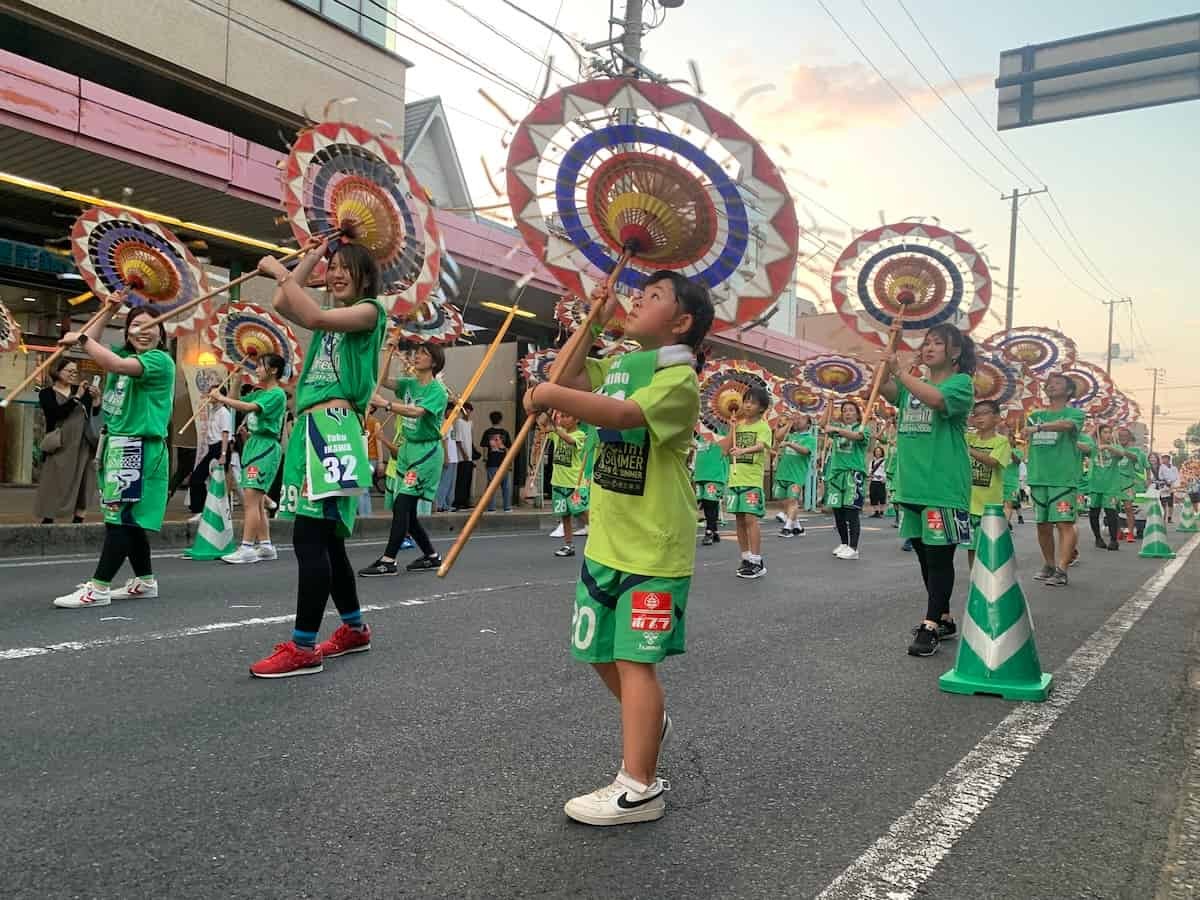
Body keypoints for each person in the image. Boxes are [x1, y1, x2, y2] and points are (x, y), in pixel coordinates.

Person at [521, 269, 713, 826]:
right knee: (596, 650)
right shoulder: (626, 364)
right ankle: (648, 725)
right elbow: (569, 374)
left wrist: (553, 395)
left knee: (633, 659)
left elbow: (626, 415)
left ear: (680, 322)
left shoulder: (679, 380)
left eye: (653, 297)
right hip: (607, 539)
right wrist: (591, 323)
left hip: (653, 545)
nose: (637, 299)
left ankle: (640, 787)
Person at [249, 237, 387, 677]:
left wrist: (281, 269)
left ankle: (304, 646)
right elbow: (281, 301)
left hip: (331, 430)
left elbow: (308, 310)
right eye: (333, 267)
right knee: (327, 541)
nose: (336, 273)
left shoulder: (370, 312)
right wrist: (312, 254)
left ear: (366, 277)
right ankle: (353, 628)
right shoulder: (331, 323)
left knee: (309, 538)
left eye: (347, 267)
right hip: (312, 429)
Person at [53, 295, 175, 608]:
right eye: (137, 325)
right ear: (127, 331)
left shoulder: (158, 361)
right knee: (125, 519)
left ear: (162, 333)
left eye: (152, 325)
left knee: (120, 520)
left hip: (139, 448)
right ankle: (145, 581)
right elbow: (94, 344)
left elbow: (112, 362)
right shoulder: (124, 352)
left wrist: (80, 337)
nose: (145, 330)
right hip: (119, 447)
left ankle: (99, 587)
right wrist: (108, 309)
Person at [880, 323, 976, 658]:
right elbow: (883, 389)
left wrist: (901, 372)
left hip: (943, 487)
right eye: (926, 342)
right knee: (923, 555)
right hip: (912, 485)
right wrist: (886, 356)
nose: (929, 347)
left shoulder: (961, 384)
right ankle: (945, 616)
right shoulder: (911, 388)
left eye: (939, 343)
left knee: (939, 558)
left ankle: (931, 624)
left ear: (956, 352)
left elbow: (936, 400)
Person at [359, 342, 449, 576]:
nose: (417, 356)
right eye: (417, 353)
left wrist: (386, 404)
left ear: (435, 362)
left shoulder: (437, 391)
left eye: (424, 354)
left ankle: (388, 560)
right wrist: (388, 354)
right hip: (408, 451)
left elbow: (415, 412)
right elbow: (386, 381)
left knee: (402, 505)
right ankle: (431, 555)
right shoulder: (409, 384)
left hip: (426, 452)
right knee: (407, 513)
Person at [208, 353, 288, 564]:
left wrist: (222, 398)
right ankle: (266, 545)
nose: (258, 369)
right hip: (254, 446)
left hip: (265, 446)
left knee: (250, 500)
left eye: (261, 366)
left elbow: (248, 408)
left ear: (273, 370)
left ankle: (247, 547)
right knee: (258, 501)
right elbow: (237, 402)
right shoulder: (260, 393)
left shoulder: (276, 394)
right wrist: (237, 376)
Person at [1023, 373, 1085, 587]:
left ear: (1068, 391)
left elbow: (1067, 425)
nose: (1051, 386)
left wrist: (1040, 428)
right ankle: (1048, 564)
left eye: (1057, 383)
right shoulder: (1034, 415)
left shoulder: (1075, 413)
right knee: (1042, 524)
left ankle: (1062, 569)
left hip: (1063, 479)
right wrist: (1034, 427)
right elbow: (1026, 434)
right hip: (1039, 477)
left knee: (1064, 523)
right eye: (1048, 384)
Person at [34, 357, 100, 523]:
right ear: (57, 371)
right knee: (54, 481)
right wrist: (76, 398)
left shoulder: (81, 390)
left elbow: (93, 415)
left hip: (83, 444)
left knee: (83, 481)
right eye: (69, 371)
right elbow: (56, 414)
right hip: (60, 443)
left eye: (75, 372)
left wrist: (97, 400)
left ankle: (78, 521)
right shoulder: (46, 393)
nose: (73, 374)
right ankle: (48, 520)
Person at [722, 384, 773, 578]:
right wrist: (732, 428)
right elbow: (726, 449)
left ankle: (756, 559)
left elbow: (762, 445)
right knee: (739, 519)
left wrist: (743, 450)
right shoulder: (739, 425)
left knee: (751, 519)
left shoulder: (763, 426)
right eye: (746, 401)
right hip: (735, 480)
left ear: (761, 407)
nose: (748, 405)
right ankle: (745, 557)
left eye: (752, 402)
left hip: (752, 480)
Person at [965, 400, 1012, 569]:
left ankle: (990, 583)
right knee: (971, 548)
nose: (979, 418)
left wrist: (969, 449)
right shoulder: (968, 437)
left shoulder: (1001, 442)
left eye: (984, 413)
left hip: (989, 507)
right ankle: (975, 580)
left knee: (988, 548)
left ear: (997, 418)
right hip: (968, 504)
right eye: (976, 414)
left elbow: (992, 461)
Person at [823, 400, 870, 560]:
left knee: (851, 512)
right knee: (838, 511)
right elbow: (823, 424)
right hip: (837, 474)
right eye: (845, 410)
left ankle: (853, 547)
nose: (848, 413)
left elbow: (857, 436)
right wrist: (829, 405)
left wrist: (837, 429)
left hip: (853, 474)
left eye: (851, 410)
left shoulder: (862, 428)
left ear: (857, 413)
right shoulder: (837, 428)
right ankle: (844, 543)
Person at [544, 411, 588, 558]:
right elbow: (542, 423)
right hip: (558, 482)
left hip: (574, 483)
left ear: (576, 419)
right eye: (561, 416)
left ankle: (599, 541)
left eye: (566, 416)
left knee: (582, 513)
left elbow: (569, 440)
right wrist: (544, 409)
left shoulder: (580, 435)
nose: (562, 419)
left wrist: (556, 429)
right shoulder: (557, 432)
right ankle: (568, 545)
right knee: (565, 516)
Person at [773, 413, 814, 537]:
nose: (798, 420)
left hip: (796, 475)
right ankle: (798, 527)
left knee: (792, 500)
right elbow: (778, 437)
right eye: (797, 418)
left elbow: (805, 451)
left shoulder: (810, 438)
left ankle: (787, 527)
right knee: (782, 499)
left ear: (808, 424)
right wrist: (789, 424)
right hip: (782, 473)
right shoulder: (790, 435)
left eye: (801, 418)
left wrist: (790, 444)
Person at [1087, 423, 1122, 551]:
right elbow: (1083, 442)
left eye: (1109, 432)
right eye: (1105, 432)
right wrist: (1092, 432)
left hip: (1110, 486)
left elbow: (1120, 454)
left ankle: (1114, 540)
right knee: (1094, 513)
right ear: (1099, 434)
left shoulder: (1115, 447)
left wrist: (1107, 446)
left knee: (1111, 512)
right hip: (1095, 485)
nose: (1108, 435)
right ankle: (1098, 538)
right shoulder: (1093, 447)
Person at [693, 428, 729, 545]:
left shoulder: (722, 432)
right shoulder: (700, 436)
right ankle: (714, 530)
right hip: (700, 475)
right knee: (706, 502)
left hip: (715, 475)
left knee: (710, 502)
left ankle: (709, 531)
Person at [1112, 427, 1147, 542]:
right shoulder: (1113, 448)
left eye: (1125, 435)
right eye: (1120, 435)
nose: (1123, 437)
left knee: (1128, 508)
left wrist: (1122, 451)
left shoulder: (1135, 451)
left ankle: (1131, 532)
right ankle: (1118, 532)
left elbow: (1134, 458)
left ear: (1129, 437)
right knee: (1113, 508)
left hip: (1128, 483)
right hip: (1114, 483)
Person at [480, 410, 513, 512]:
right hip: (504, 463)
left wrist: (485, 459)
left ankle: (491, 508)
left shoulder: (487, 432)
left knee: (491, 486)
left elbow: (485, 448)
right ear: (501, 420)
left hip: (492, 462)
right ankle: (507, 507)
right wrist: (510, 463)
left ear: (491, 420)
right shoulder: (505, 433)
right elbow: (509, 449)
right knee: (506, 486)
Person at [999, 422, 1024, 526]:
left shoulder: (1017, 452)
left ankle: (1004, 524)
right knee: (1000, 505)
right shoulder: (998, 449)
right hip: (999, 482)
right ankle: (1003, 523)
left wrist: (1008, 449)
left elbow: (1017, 461)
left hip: (1012, 483)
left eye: (1009, 437)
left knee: (1009, 504)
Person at [435, 407, 459, 512]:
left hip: (454, 458)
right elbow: (443, 441)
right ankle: (439, 504)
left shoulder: (451, 424)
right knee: (444, 482)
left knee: (450, 483)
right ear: (448, 411)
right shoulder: (444, 423)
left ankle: (446, 504)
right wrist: (445, 457)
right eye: (454, 411)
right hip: (448, 457)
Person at [453, 402, 476, 510]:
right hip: (462, 457)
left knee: (468, 481)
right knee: (461, 480)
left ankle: (465, 501)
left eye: (469, 410)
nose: (468, 412)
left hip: (470, 456)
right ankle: (458, 502)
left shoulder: (470, 423)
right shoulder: (459, 422)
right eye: (466, 410)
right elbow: (458, 440)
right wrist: (464, 454)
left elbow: (471, 440)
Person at [1155, 453, 1180, 523]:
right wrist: (1166, 481)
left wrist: (1172, 482)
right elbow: (1160, 476)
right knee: (1163, 503)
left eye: (1166, 458)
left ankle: (1169, 518)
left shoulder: (1174, 468)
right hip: (1163, 486)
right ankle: (1163, 517)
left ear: (1169, 459)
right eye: (1163, 458)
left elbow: (1176, 476)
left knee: (1170, 503)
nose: (1164, 459)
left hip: (1171, 486)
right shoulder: (1161, 467)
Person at [867, 444, 888, 518]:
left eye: (879, 451)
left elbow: (886, 471)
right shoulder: (872, 462)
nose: (878, 453)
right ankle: (876, 512)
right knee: (873, 495)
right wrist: (870, 475)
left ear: (882, 452)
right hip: (874, 480)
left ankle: (882, 511)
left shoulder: (884, 461)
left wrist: (884, 478)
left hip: (881, 481)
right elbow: (870, 471)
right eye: (876, 451)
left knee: (882, 496)